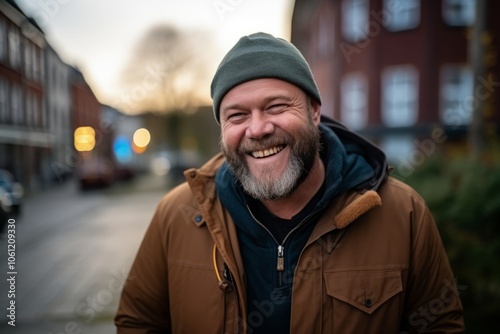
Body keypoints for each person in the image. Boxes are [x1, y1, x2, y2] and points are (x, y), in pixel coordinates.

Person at [115, 32, 465, 333]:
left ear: (314, 112)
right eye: (237, 115)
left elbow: (439, 325)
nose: (258, 128)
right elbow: (138, 321)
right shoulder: (175, 215)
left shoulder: (402, 213)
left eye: (276, 107)